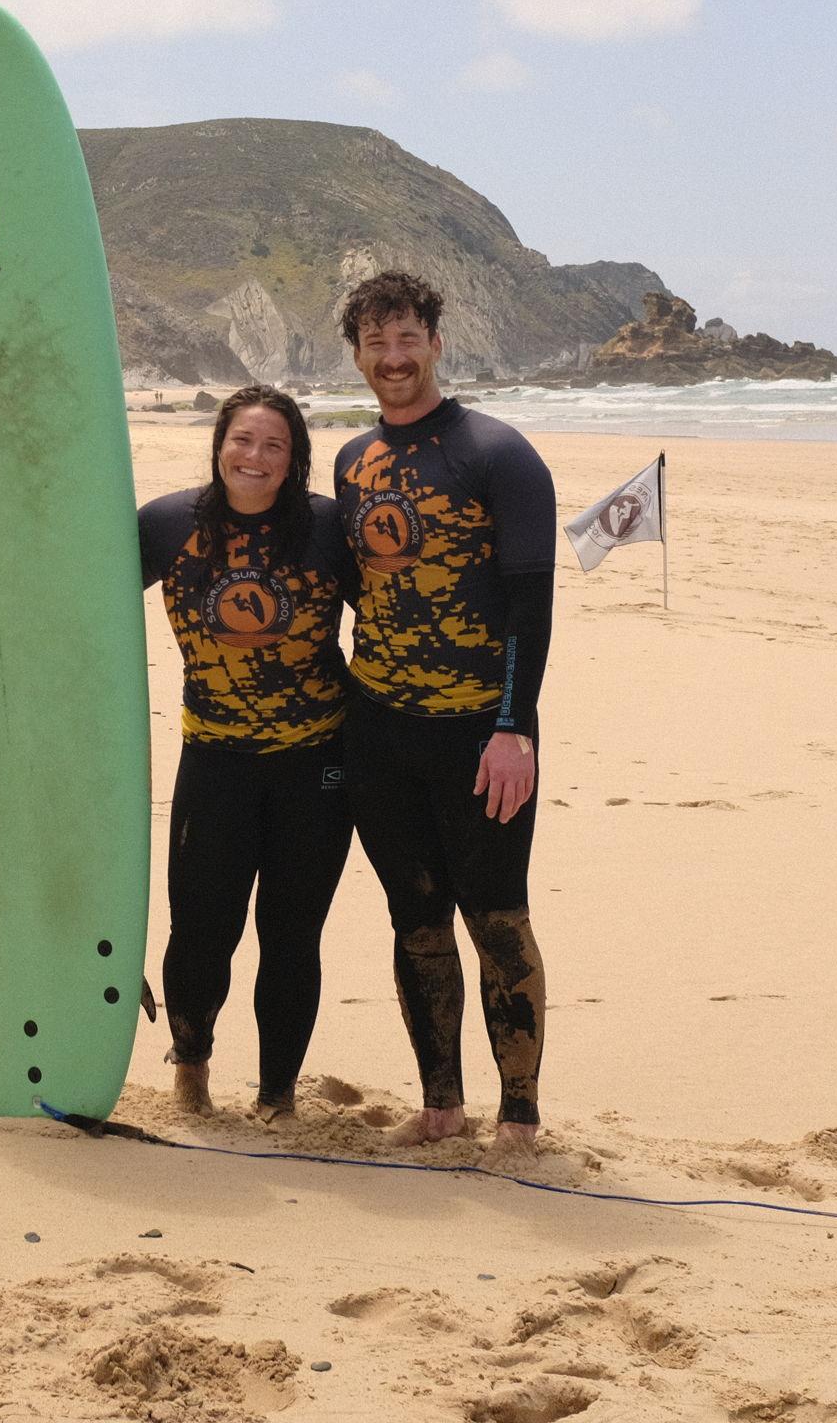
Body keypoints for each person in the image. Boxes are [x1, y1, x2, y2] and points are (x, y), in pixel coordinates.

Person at [332, 271, 557, 1150]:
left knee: (496, 919)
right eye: (375, 343)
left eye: (406, 339)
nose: (393, 357)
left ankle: (520, 1118)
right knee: (414, 919)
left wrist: (513, 727)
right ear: (356, 355)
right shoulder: (353, 462)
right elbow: (358, 589)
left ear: (435, 342)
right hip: (380, 731)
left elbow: (529, 606)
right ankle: (439, 1105)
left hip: (478, 734)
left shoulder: (496, 453)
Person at [139, 385, 357, 1120]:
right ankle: (191, 1068)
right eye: (242, 440)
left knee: (292, 937)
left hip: (316, 765)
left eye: (273, 445)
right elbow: (84, 602)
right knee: (201, 930)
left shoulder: (327, 528)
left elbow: (395, 616)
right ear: (219, 444)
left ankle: (277, 1095)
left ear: (294, 459)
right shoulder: (169, 524)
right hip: (214, 762)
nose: (254, 457)